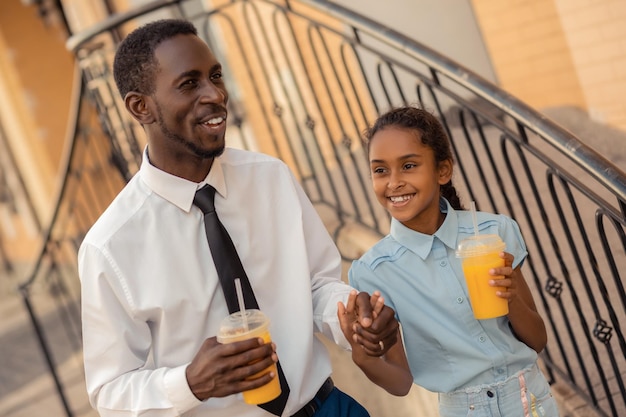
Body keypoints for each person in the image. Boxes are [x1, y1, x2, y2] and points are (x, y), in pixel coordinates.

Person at [77, 18, 399, 417]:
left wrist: (352, 320)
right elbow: (110, 392)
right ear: (140, 106)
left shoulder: (271, 177)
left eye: (216, 76)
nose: (215, 94)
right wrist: (189, 383)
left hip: (327, 408)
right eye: (189, 83)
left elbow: (316, 285)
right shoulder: (109, 247)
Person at [337, 106, 560, 416]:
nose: (394, 182)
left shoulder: (495, 231)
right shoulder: (373, 272)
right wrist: (363, 356)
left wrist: (508, 298)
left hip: (532, 404)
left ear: (442, 171)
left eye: (409, 165)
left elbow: (536, 340)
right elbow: (401, 383)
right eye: (380, 170)